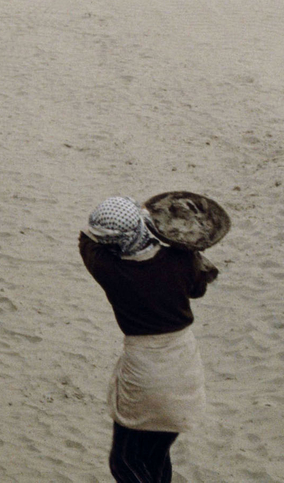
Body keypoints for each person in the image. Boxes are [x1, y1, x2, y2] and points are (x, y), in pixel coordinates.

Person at [80, 197, 219, 483]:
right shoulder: (181, 259)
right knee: (156, 457)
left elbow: (86, 241)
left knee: (124, 463)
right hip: (184, 365)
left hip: (146, 372)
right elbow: (197, 290)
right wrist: (168, 236)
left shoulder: (110, 269)